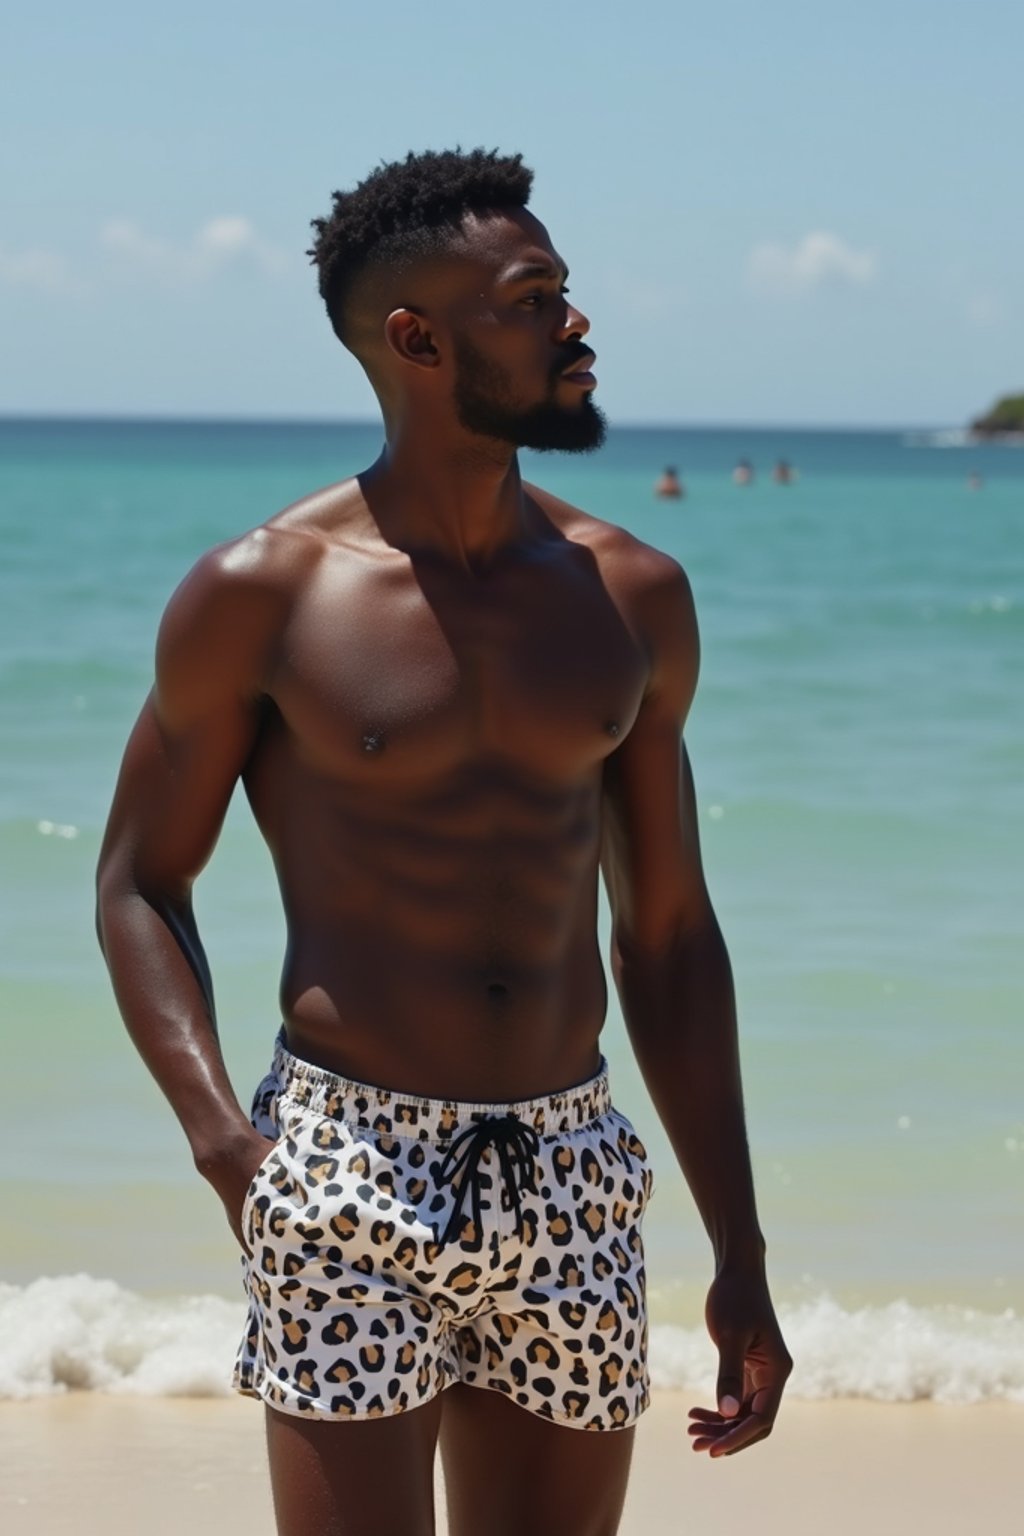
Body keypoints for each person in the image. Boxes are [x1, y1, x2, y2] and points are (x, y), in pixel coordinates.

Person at [96, 147, 790, 1536]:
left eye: (565, 293)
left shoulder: (633, 596)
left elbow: (666, 936)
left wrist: (740, 1251)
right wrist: (231, 1149)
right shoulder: (264, 592)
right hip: (344, 1163)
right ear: (417, 339)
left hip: (573, 1168)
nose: (575, 326)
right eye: (533, 300)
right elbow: (138, 884)